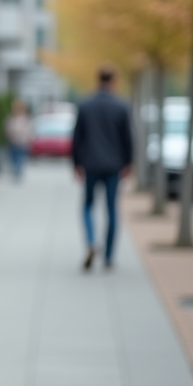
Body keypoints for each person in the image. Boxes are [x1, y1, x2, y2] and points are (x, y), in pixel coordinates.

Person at [72, 65, 134, 270]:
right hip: (114, 165)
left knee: (88, 205)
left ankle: (91, 240)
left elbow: (76, 137)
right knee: (111, 210)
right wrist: (128, 163)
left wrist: (76, 163)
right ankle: (108, 256)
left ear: (97, 79)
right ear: (113, 81)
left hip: (90, 164)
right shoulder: (121, 106)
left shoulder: (85, 104)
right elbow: (128, 139)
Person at [4, 99, 32, 181]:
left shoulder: (25, 118)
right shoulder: (11, 118)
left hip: (22, 142)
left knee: (20, 158)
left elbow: (29, 130)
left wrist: (27, 138)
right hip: (12, 141)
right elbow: (7, 128)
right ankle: (15, 171)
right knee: (13, 158)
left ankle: (18, 172)